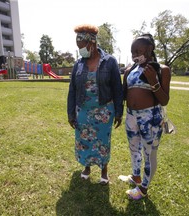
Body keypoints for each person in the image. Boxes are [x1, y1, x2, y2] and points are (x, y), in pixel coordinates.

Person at [67, 24, 123, 185]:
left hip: (104, 110)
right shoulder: (78, 64)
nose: (80, 50)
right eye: (78, 47)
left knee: (102, 141)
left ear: (92, 43)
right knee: (83, 139)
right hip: (83, 109)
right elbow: (72, 90)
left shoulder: (110, 62)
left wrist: (119, 112)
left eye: (82, 46)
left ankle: (104, 170)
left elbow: (117, 89)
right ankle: (87, 167)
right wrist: (71, 114)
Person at [119, 34, 171, 199]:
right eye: (132, 51)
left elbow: (164, 100)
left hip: (151, 117)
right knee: (134, 149)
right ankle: (136, 177)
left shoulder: (162, 70)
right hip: (131, 116)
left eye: (138, 51)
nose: (135, 55)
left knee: (149, 154)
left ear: (150, 49)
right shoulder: (130, 70)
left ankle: (143, 189)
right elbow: (124, 95)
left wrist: (153, 81)